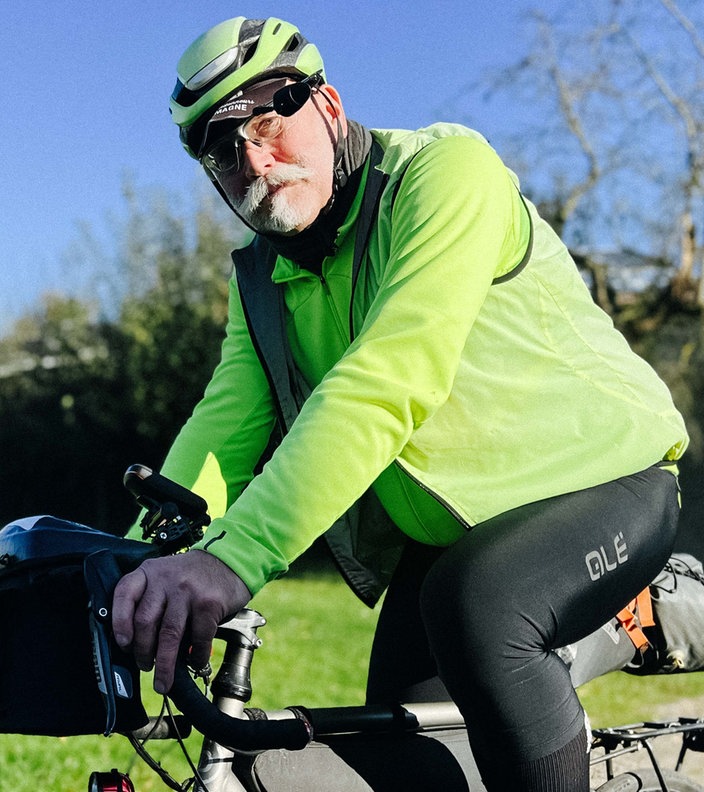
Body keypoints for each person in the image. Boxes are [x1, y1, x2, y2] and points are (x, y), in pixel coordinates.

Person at [111, 16, 688, 791]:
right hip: (456, 537)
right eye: (222, 148)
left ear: (330, 105)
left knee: (481, 609)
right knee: (413, 758)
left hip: (606, 485)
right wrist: (132, 565)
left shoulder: (444, 173)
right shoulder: (259, 278)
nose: (253, 155)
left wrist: (231, 563)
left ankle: (649, 612)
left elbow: (388, 379)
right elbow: (228, 426)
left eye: (269, 116)